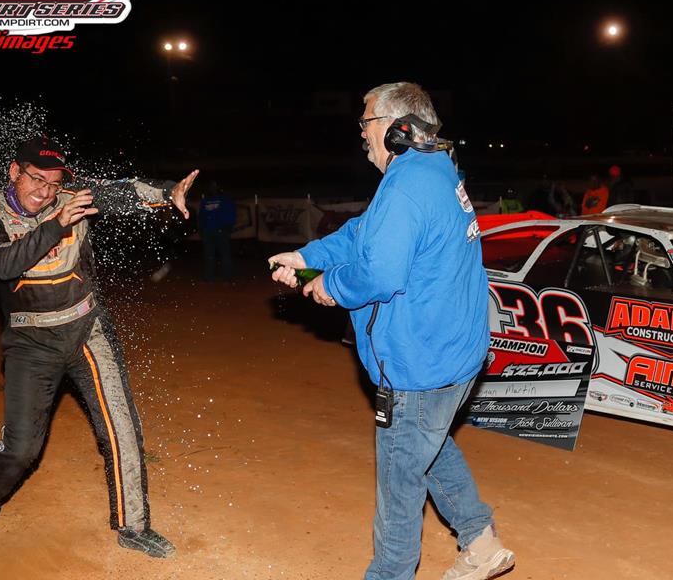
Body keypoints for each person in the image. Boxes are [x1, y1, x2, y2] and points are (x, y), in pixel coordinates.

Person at [269, 82, 514, 580]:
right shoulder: (433, 171)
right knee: (430, 444)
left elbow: (378, 274)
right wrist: (308, 258)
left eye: (367, 122)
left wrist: (328, 287)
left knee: (400, 483)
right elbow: (366, 233)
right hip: (453, 355)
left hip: (419, 362)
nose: (362, 133)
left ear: (398, 129)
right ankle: (480, 542)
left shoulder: (406, 184)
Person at [0, 136, 199, 564]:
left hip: (86, 329)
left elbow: (124, 190)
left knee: (121, 426)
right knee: (22, 448)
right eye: (35, 180)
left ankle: (133, 526)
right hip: (30, 343)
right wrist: (57, 223)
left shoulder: (71, 198)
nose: (45, 191)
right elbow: (2, 264)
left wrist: (166, 191)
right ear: (14, 171)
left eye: (54, 182)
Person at [197, 181, 236, 282]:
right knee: (209, 255)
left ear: (218, 188)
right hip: (208, 232)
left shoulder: (225, 199)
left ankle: (227, 277)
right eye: (211, 187)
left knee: (225, 255)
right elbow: (201, 216)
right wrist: (201, 228)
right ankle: (209, 277)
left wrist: (228, 226)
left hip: (221, 231)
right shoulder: (205, 201)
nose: (213, 188)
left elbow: (231, 213)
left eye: (215, 186)